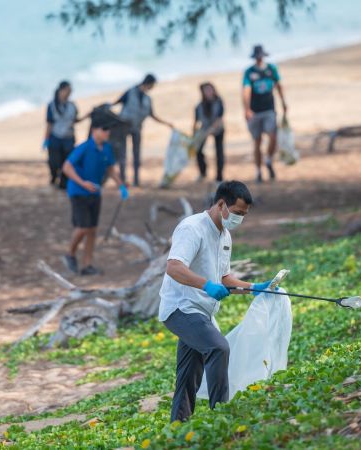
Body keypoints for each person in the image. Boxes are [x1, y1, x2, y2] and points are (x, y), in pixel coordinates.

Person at [159, 180, 277, 422]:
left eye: (244, 215)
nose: (239, 219)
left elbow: (224, 278)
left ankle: (177, 427)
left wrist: (254, 288)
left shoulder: (225, 236)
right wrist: (206, 285)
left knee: (188, 374)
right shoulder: (192, 228)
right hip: (180, 308)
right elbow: (173, 267)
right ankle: (222, 417)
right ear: (221, 204)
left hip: (202, 312)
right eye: (237, 213)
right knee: (218, 347)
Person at [62, 108, 129, 276]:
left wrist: (121, 186)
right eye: (104, 129)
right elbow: (67, 167)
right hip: (78, 192)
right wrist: (83, 183)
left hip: (95, 194)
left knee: (92, 230)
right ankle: (69, 254)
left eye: (109, 130)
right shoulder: (84, 147)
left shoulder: (106, 149)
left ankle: (87, 264)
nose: (108, 133)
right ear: (94, 130)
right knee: (82, 228)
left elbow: (111, 170)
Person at [114, 73, 175, 186]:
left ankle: (136, 181)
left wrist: (166, 123)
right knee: (123, 154)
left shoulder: (147, 99)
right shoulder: (130, 92)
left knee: (136, 154)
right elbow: (116, 103)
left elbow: (152, 114)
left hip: (137, 128)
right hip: (123, 127)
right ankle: (122, 180)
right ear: (149, 84)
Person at [242, 45, 287, 183]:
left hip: (269, 109)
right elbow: (246, 90)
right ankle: (258, 171)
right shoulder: (249, 72)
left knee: (273, 136)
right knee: (257, 142)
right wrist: (247, 108)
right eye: (257, 56)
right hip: (255, 111)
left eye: (261, 56)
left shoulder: (271, 69)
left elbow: (279, 85)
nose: (259, 58)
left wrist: (283, 102)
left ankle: (268, 160)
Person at [43, 81, 85, 189]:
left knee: (67, 162)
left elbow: (75, 120)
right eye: (68, 90)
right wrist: (46, 139)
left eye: (71, 91)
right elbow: (49, 123)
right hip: (55, 138)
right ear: (61, 90)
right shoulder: (51, 105)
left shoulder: (72, 105)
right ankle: (53, 178)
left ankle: (63, 183)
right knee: (54, 162)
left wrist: (87, 116)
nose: (69, 93)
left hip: (68, 138)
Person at [193, 82, 225, 183]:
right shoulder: (199, 106)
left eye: (210, 89)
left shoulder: (219, 101)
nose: (208, 92)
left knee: (219, 152)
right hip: (204, 129)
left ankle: (219, 176)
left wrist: (211, 130)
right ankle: (203, 172)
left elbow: (219, 118)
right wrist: (194, 134)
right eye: (206, 90)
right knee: (198, 150)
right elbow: (196, 121)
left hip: (218, 129)